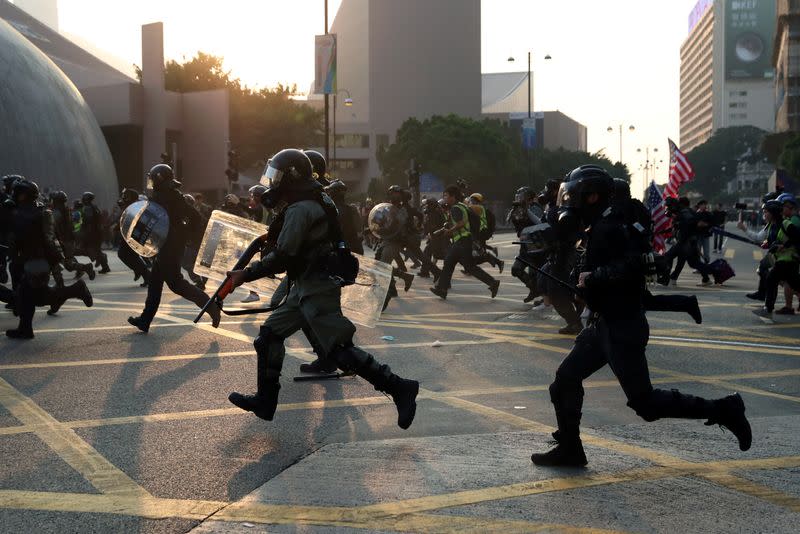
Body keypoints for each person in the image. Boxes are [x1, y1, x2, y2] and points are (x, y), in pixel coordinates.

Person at [530, 165, 751, 467]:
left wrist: (593, 278)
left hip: (623, 326)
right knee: (565, 380)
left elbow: (638, 264)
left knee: (644, 403)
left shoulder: (612, 226)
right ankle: (571, 448)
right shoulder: (599, 224)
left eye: (575, 194)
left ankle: (725, 408)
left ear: (592, 196)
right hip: (603, 323)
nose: (569, 201)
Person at [225, 149, 419, 428]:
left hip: (316, 287)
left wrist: (245, 274)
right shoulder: (312, 200)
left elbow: (284, 255)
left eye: (277, 176)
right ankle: (265, 401)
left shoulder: (301, 208)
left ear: (291, 178)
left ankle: (400, 387)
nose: (273, 182)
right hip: (303, 285)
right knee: (268, 337)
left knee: (340, 350)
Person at [127, 164, 220, 333]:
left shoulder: (166, 197)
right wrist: (186, 236)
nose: (152, 183)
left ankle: (211, 306)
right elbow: (192, 218)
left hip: (169, 246)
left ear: (159, 180)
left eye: (153, 179)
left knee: (176, 284)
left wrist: (185, 235)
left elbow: (194, 217)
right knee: (155, 283)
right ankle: (145, 320)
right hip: (166, 245)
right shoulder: (169, 195)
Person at [5, 179, 93, 339]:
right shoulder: (40, 210)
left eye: (17, 193)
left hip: (34, 261)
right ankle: (25, 329)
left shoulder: (23, 214)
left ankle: (76, 289)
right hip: (41, 259)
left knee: (40, 297)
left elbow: (17, 239)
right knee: (26, 294)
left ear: (23, 196)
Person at [430, 185, 500, 299]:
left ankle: (442, 289)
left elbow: (461, 223)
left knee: (449, 261)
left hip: (462, 241)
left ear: (453, 197)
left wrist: (450, 231)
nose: (445, 198)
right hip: (465, 240)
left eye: (446, 195)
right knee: (468, 266)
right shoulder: (462, 206)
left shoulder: (455, 208)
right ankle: (492, 283)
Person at [752, 195, 800, 319]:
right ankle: (768, 309)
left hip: (789, 259)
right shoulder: (771, 227)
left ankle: (768, 309)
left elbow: (797, 237)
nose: (764, 214)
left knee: (771, 279)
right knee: (795, 284)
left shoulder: (785, 223)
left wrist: (784, 245)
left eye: (766, 212)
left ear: (773, 213)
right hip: (782, 260)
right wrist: (767, 244)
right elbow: (772, 241)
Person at [116, 188, 151, 286]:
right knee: (130, 256)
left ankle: (146, 274)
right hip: (130, 235)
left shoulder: (134, 207)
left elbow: (128, 221)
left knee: (124, 254)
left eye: (125, 196)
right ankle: (142, 273)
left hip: (132, 236)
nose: (123, 197)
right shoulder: (131, 205)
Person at [467, 193, 504, 272]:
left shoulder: (476, 208)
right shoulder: (484, 209)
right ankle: (496, 261)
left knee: (478, 253)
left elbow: (467, 209)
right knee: (477, 252)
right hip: (482, 233)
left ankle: (496, 261)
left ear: (476, 200)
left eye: (472, 200)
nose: (470, 201)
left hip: (480, 233)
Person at [325, 180, 364, 255]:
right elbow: (359, 228)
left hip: (338, 246)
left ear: (332, 193)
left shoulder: (328, 210)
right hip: (353, 247)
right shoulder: (352, 209)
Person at [80, 192, 111, 274]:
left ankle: (105, 265)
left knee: (94, 250)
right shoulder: (94, 207)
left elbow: (88, 220)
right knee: (96, 250)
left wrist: (85, 231)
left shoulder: (88, 208)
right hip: (97, 231)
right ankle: (104, 265)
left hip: (93, 232)